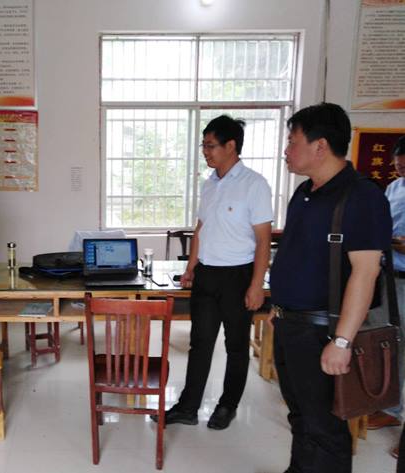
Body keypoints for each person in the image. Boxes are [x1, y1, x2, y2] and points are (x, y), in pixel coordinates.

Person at [269, 102, 392, 473]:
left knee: (325, 426)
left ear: (320, 145)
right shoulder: (304, 193)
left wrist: (342, 341)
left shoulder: (361, 197)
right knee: (301, 415)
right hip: (290, 325)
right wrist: (279, 310)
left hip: (323, 330)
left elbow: (365, 273)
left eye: (292, 141)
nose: (286, 150)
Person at [152, 115, 273, 430]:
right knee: (200, 343)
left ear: (230, 146)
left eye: (210, 145)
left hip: (238, 276)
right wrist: (191, 266)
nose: (205, 151)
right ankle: (188, 407)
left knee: (236, 346)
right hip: (207, 274)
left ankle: (227, 406)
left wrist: (256, 285)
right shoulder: (210, 184)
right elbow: (201, 228)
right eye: (203, 145)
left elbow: (263, 240)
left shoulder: (254, 184)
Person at [367, 136, 405, 459]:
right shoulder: (393, 189)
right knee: (386, 344)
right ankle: (389, 407)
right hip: (387, 277)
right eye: (398, 166)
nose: (400, 170)